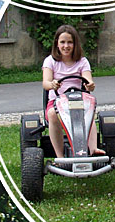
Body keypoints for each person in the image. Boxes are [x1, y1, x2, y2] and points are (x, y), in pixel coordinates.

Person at [42, 24, 101, 157]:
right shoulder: (50, 61)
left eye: (70, 42)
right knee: (52, 113)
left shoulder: (82, 62)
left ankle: (93, 149)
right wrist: (52, 84)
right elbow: (45, 83)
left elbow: (88, 80)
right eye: (62, 42)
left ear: (75, 44)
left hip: (78, 100)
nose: (66, 46)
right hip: (57, 101)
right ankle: (60, 156)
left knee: (89, 111)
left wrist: (90, 85)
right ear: (57, 43)